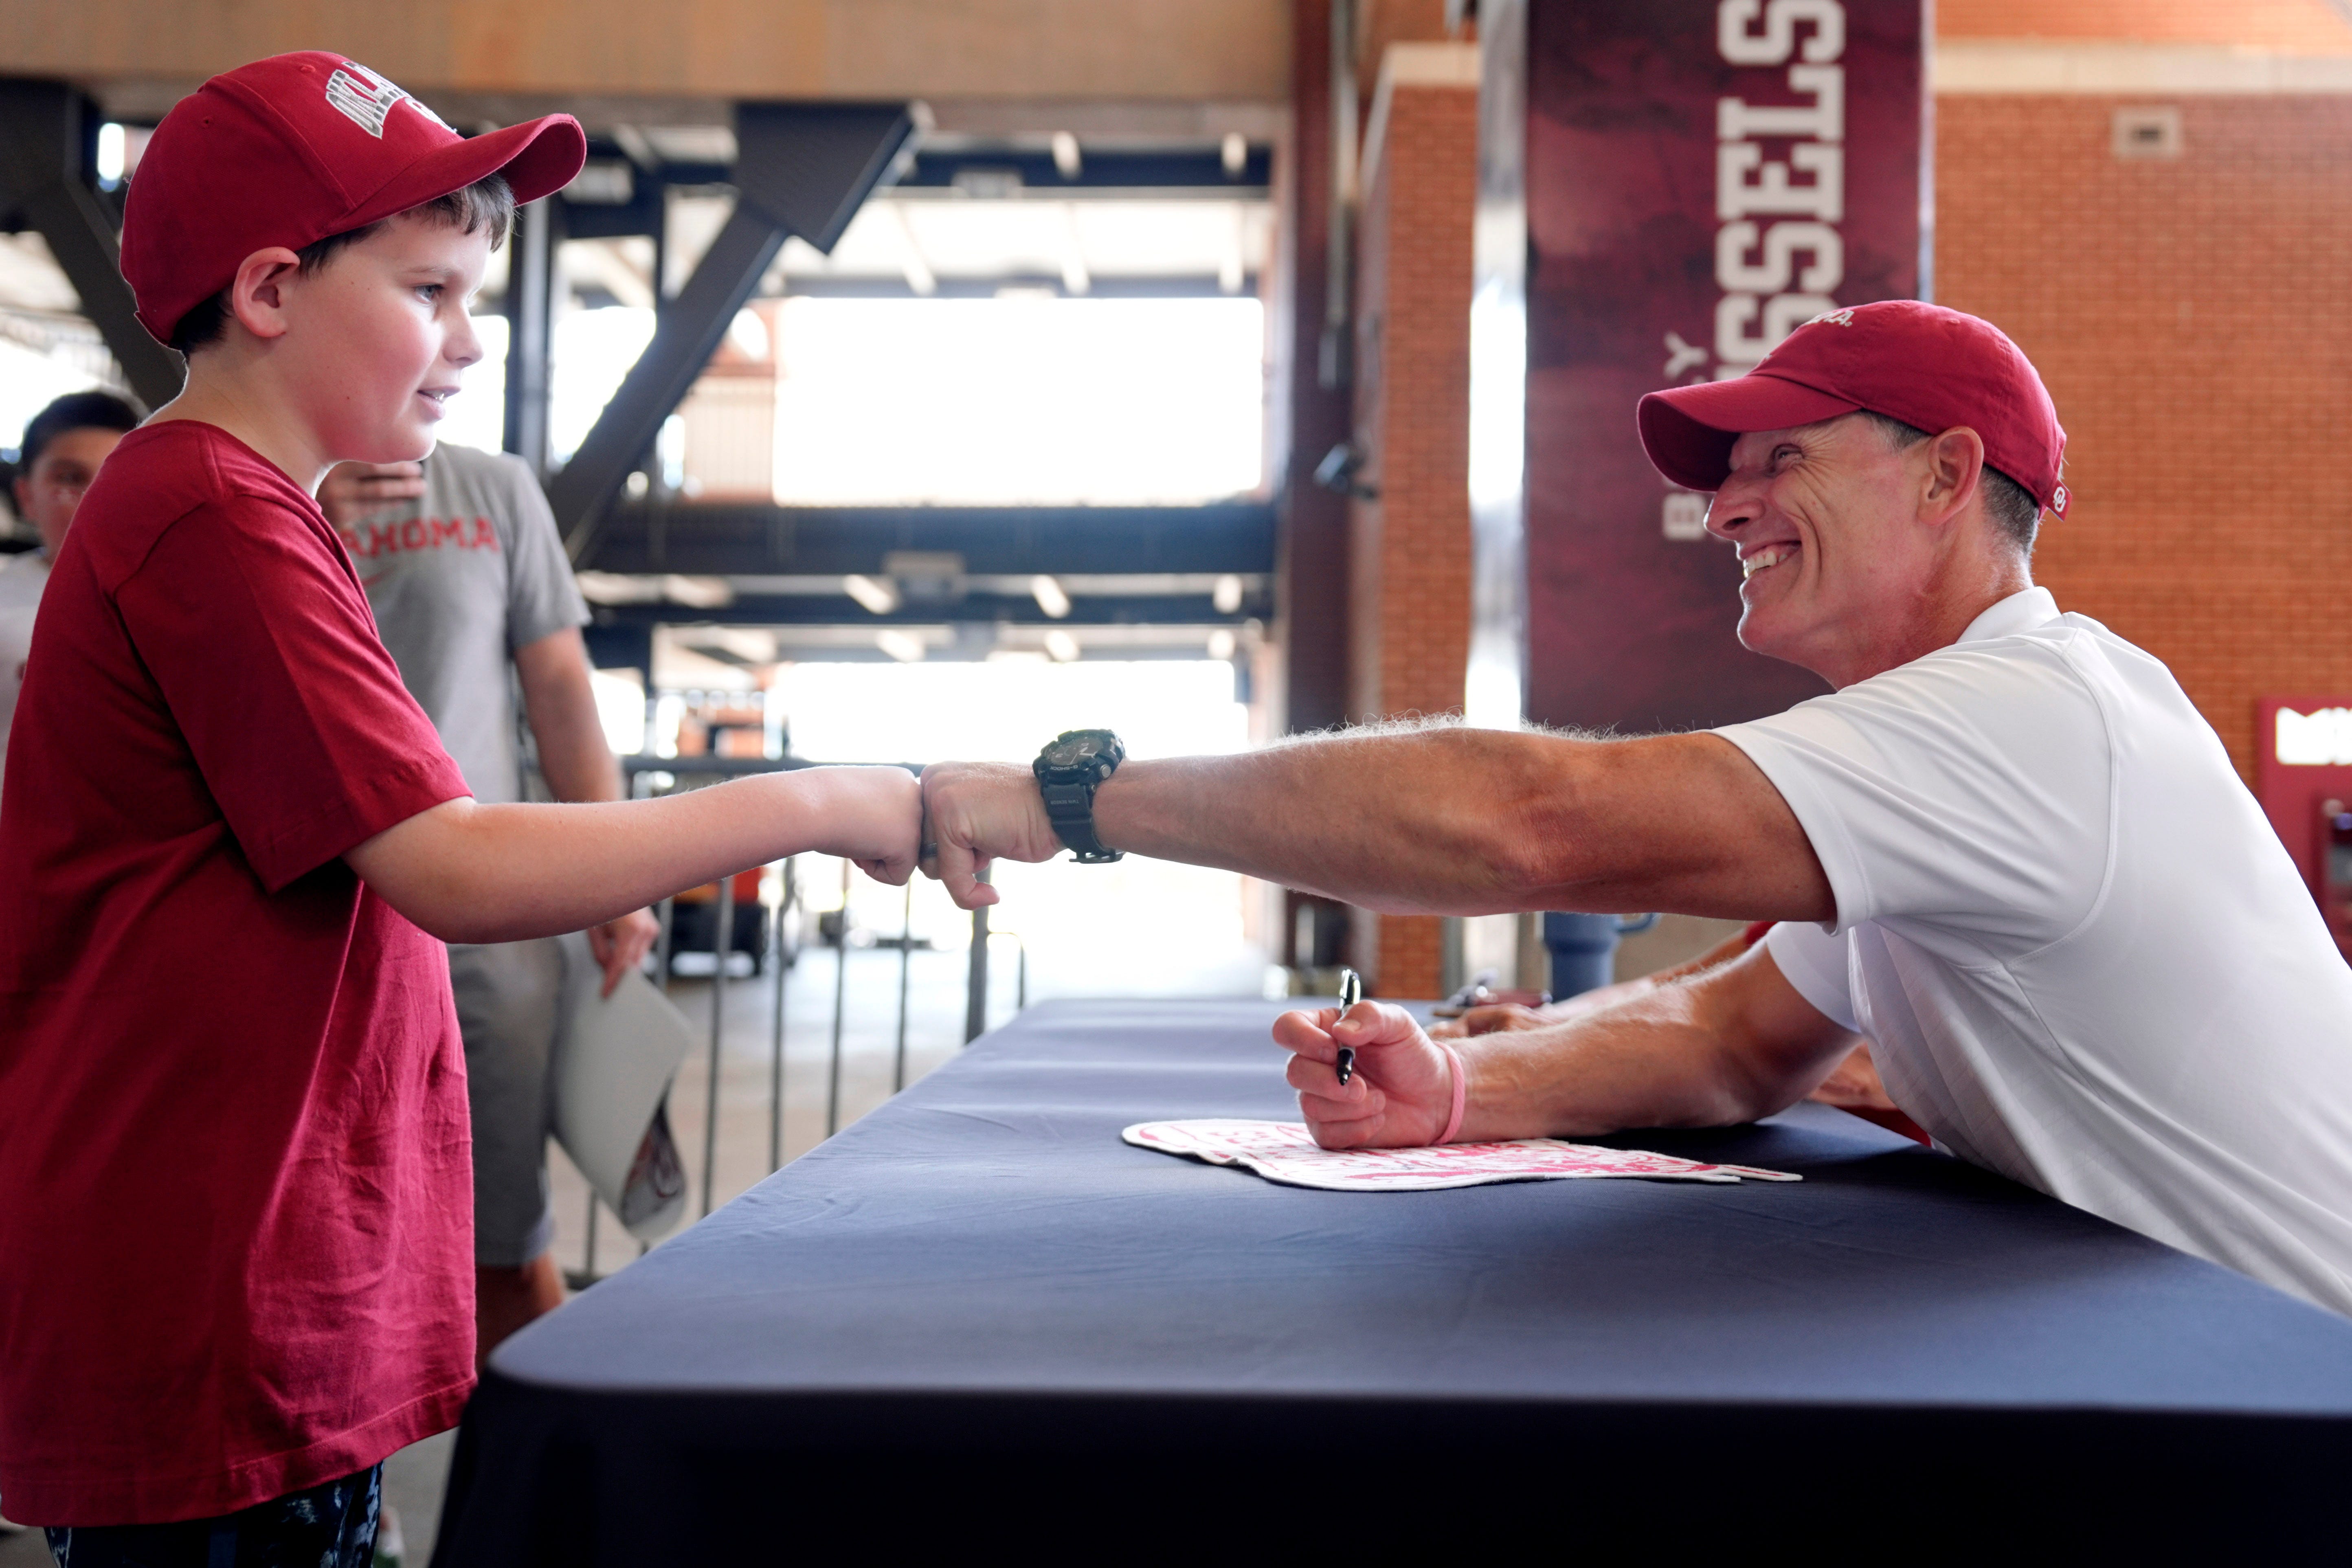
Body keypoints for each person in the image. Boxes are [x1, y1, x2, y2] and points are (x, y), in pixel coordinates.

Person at [919, 299, 2352, 1317]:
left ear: (1947, 474)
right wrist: (1463, 1093)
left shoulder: (2033, 719)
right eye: (1724, 479)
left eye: (1777, 459)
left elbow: (1529, 823)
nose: (1721, 512)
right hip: (2191, 1359)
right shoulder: (1942, 747)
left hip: (2295, 1391)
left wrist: (1075, 801)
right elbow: (1731, 1043)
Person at [0, 54, 918, 1559]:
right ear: (274, 290)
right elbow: (454, 860)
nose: (470, 344)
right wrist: (818, 799)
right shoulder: (213, 514)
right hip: (210, 1278)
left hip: (251, 1254)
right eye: (431, 293)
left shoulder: (244, 508)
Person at [321, 445, 660, 1365]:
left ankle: (562, 1494)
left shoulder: (493, 489)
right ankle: (363, 1507)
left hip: (476, 926)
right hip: (296, 921)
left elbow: (560, 691)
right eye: (429, 293)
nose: (457, 342)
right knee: (315, 1254)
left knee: (502, 1246)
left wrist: (614, 873)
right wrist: (306, 507)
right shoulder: (238, 469)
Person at [0, 391, 141, 804]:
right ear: (27, 496)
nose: (95, 498)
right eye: (69, 479)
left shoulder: (184, 601)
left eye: (115, 477)